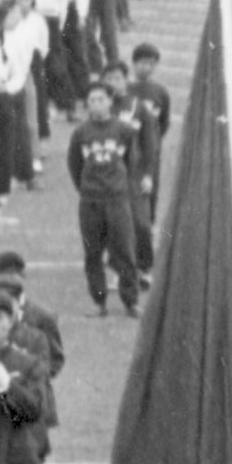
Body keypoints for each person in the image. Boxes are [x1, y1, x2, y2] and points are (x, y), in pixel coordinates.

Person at [64, 85, 147, 315]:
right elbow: (74, 164)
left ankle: (131, 301)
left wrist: (121, 187)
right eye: (91, 100)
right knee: (93, 253)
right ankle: (99, 301)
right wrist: (85, 188)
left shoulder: (124, 130)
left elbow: (132, 162)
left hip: (117, 200)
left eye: (100, 99)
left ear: (110, 102)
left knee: (125, 251)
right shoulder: (81, 133)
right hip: (90, 201)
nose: (96, 104)